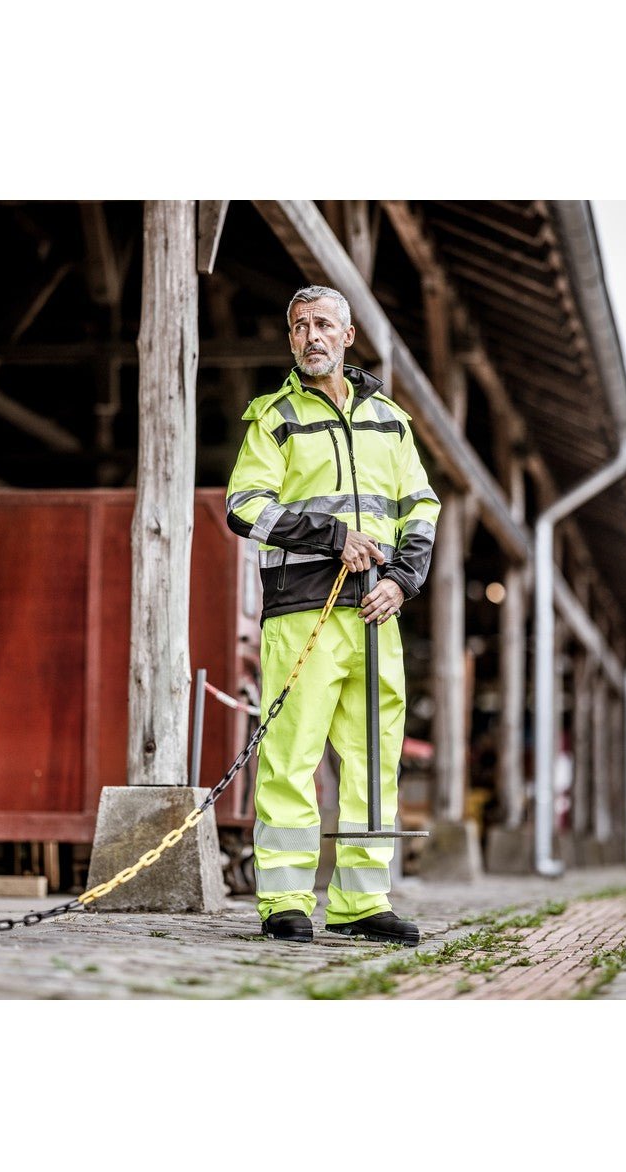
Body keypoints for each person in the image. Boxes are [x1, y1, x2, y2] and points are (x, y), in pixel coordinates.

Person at [225, 285, 441, 945]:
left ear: (347, 337)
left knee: (374, 760)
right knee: (291, 757)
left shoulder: (391, 422)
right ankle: (284, 900)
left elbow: (422, 507)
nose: (310, 335)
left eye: (322, 323)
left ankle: (361, 902)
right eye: (299, 326)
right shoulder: (275, 417)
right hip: (303, 612)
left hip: (376, 613)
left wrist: (403, 581)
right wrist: (331, 536)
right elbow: (244, 505)